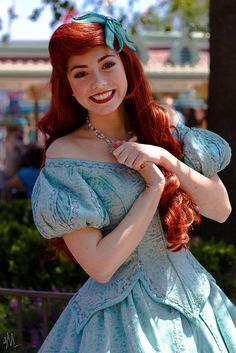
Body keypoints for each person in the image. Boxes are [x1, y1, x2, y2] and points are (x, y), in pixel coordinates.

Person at [31, 12, 236, 353]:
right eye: (81, 73)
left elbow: (221, 209)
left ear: (127, 65)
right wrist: (153, 189)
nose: (98, 81)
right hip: (118, 321)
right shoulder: (66, 155)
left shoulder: (164, 131)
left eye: (107, 65)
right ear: (68, 84)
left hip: (196, 302)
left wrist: (167, 160)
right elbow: (100, 266)